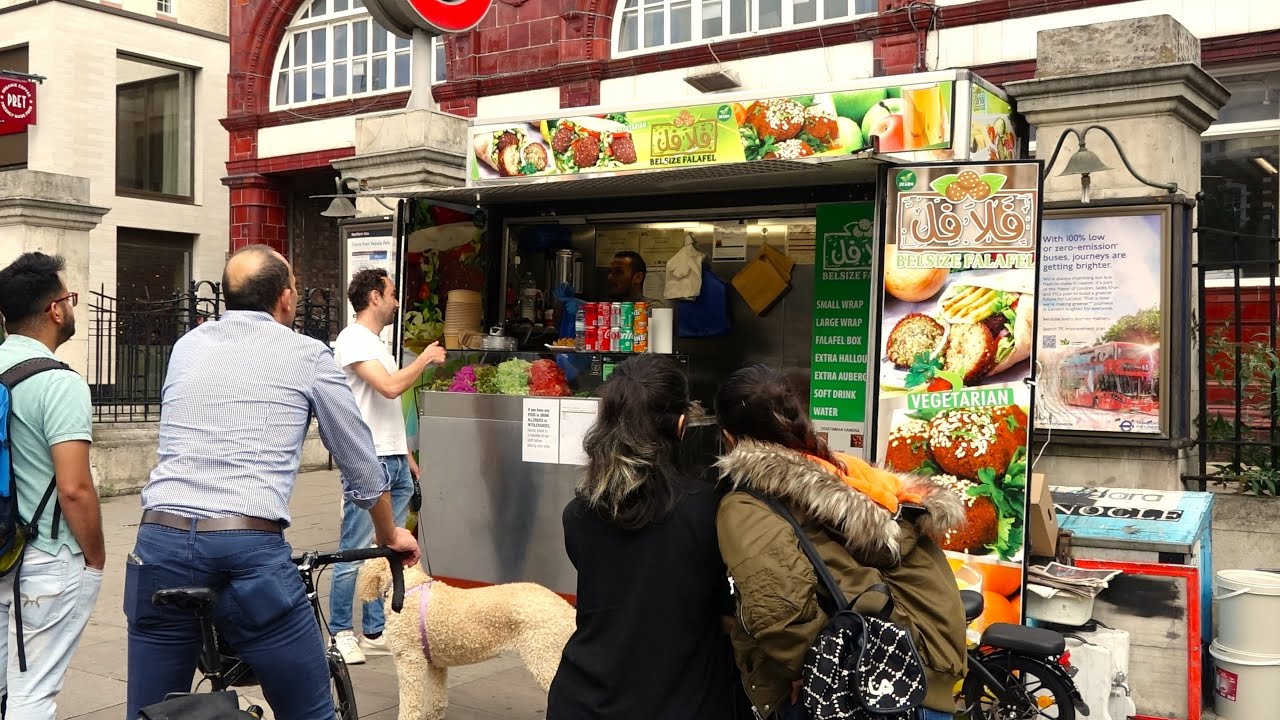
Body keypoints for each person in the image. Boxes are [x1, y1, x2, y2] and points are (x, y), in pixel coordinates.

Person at [124, 245, 420, 720]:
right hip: (246, 546)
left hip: (159, 539)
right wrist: (389, 535)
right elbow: (361, 463)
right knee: (310, 711)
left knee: (150, 712)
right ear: (285, 299)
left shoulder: (187, 346)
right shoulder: (306, 353)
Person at [714, 365, 967, 720]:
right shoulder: (844, 472)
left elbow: (780, 612)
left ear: (728, 437)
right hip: (914, 671)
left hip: (866, 687)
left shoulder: (746, 505)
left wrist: (811, 670)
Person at [546, 355, 741, 720]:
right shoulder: (709, 511)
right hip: (682, 700)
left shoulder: (578, 514)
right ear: (681, 424)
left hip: (583, 700)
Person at [0, 253, 105, 718]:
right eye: (71, 299)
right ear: (56, 309)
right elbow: (75, 488)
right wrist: (95, 557)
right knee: (33, 692)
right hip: (44, 556)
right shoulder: (59, 384)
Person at [329, 267, 446, 665]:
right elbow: (391, 387)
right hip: (368, 461)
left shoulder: (377, 343)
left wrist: (407, 458)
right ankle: (342, 632)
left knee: (387, 551)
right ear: (375, 297)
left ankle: (375, 631)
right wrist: (426, 359)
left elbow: (384, 410)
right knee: (356, 548)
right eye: (393, 294)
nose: (398, 302)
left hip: (391, 458)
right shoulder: (352, 339)